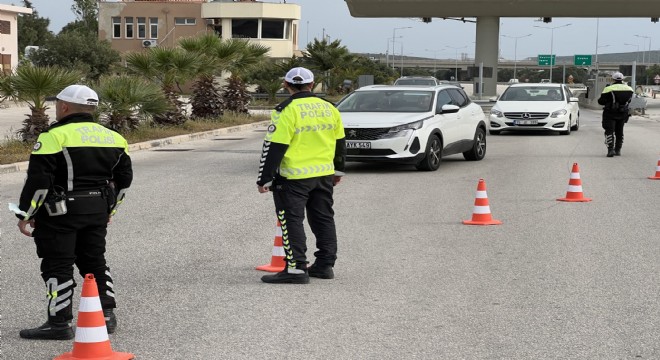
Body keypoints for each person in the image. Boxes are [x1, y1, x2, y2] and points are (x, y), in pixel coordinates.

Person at [13, 85, 133, 339]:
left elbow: (39, 181)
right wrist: (111, 210)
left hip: (60, 214)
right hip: (97, 210)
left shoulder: (53, 136)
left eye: (57, 104)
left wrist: (25, 213)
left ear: (64, 106)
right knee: (94, 261)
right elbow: (124, 181)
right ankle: (106, 316)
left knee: (58, 264)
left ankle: (58, 324)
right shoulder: (114, 137)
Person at [256, 67, 346, 284]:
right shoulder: (329, 108)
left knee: (291, 221)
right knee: (323, 219)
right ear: (312, 84)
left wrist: (264, 177)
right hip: (324, 175)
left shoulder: (286, 110)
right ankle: (325, 265)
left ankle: (296, 269)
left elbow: (275, 146)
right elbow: (340, 142)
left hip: (293, 177)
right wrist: (338, 170)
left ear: (286, 85)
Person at [597, 72, 634, 157]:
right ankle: (618, 150)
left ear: (613, 79)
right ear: (622, 79)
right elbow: (629, 101)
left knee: (609, 131)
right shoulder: (629, 89)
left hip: (610, 113)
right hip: (623, 113)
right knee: (619, 132)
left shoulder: (608, 88)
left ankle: (610, 150)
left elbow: (600, 101)